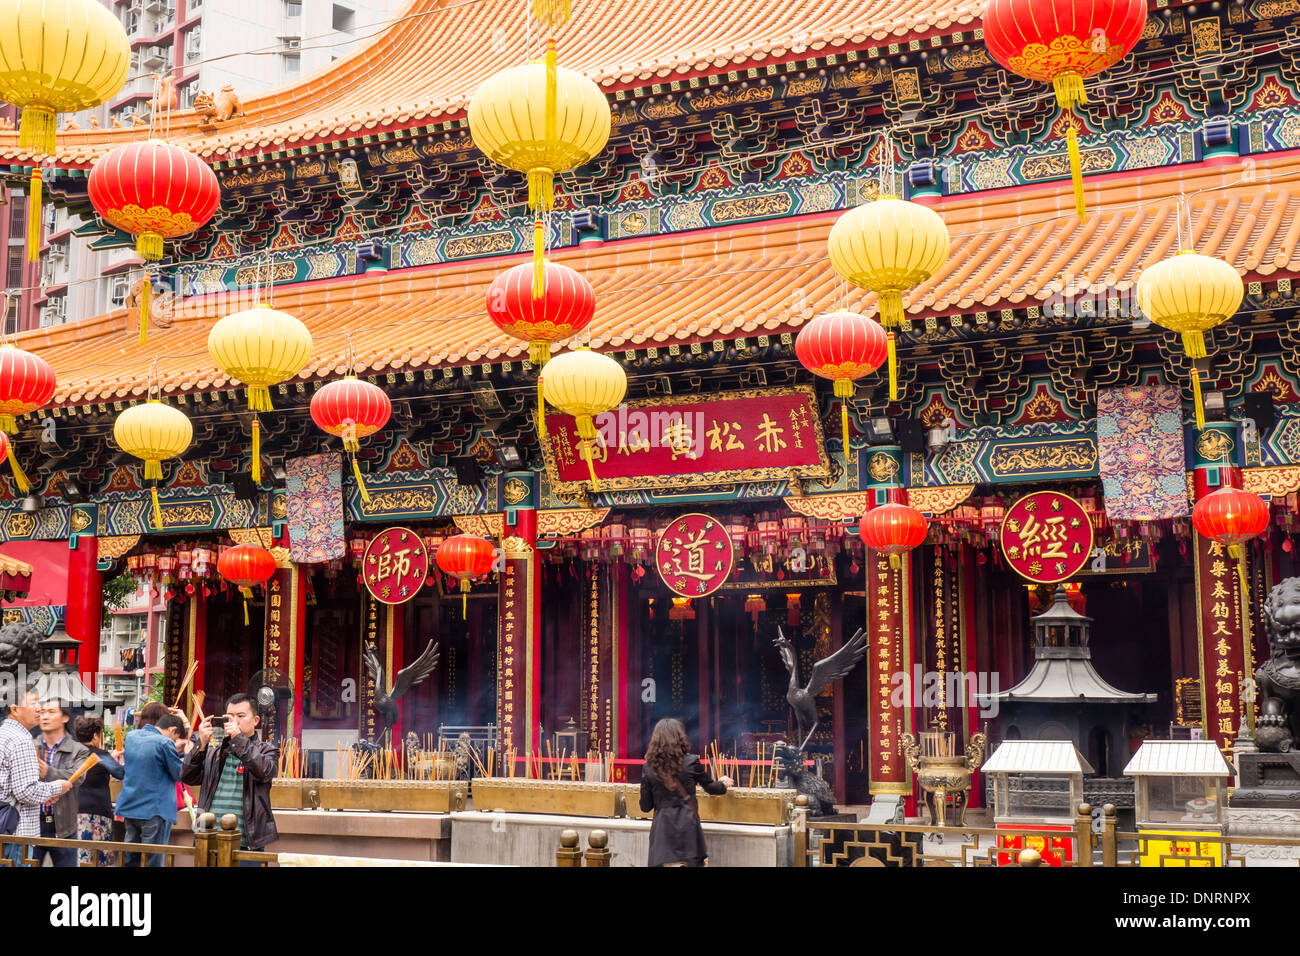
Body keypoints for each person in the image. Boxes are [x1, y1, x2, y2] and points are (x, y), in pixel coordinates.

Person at [182, 693, 279, 855]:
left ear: (255, 721)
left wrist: (238, 739)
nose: (234, 721)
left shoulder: (267, 751)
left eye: (241, 716)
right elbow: (187, 777)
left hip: (247, 841)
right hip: (209, 838)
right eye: (230, 717)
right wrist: (201, 744)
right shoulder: (214, 753)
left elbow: (264, 771)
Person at [639, 718, 732, 867]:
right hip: (688, 828)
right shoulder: (691, 762)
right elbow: (711, 788)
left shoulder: (649, 767)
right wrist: (723, 784)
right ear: (680, 737)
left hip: (662, 831)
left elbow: (645, 806)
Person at [0, 685, 72, 865]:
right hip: (16, 833)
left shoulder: (4, 734)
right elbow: (26, 791)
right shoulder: (20, 740)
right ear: (14, 709)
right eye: (33, 703)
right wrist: (58, 787)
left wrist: (43, 794)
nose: (39, 708)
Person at [116, 702, 189, 866]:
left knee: (131, 859)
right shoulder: (164, 743)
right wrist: (186, 753)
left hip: (131, 808)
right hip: (154, 809)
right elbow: (180, 774)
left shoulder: (132, 737)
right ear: (171, 729)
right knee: (153, 860)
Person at [32, 699, 91, 867]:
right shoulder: (30, 746)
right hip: (33, 824)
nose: (44, 717)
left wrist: (48, 772)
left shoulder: (79, 750)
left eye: (51, 712)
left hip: (64, 827)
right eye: (42, 712)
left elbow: (77, 777)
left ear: (65, 717)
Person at [72, 716, 124, 867]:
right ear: (95, 735)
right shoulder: (100, 755)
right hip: (96, 811)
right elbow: (120, 774)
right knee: (97, 858)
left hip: (73, 811)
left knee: (77, 857)